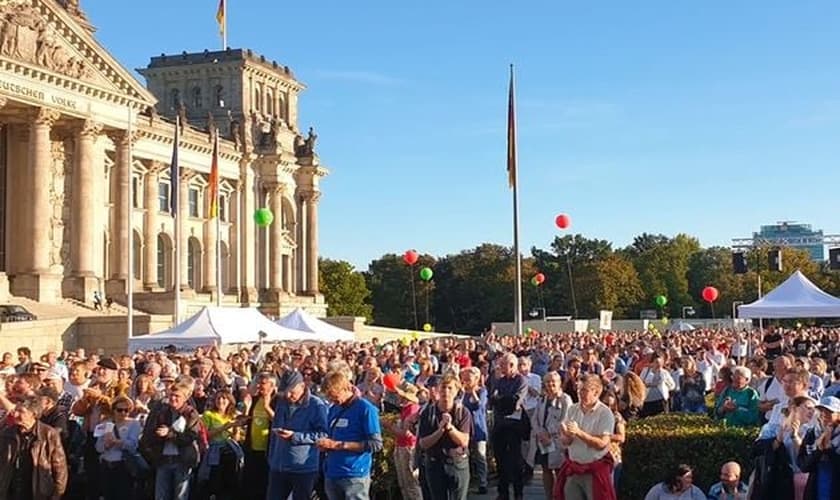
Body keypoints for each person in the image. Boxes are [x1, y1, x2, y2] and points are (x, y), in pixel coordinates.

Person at [318, 369, 383, 500]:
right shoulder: (334, 408)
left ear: (345, 388)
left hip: (354, 475)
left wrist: (340, 445)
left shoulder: (365, 409)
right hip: (332, 471)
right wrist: (325, 445)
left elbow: (376, 444)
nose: (332, 399)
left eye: (334, 395)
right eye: (329, 396)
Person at [267, 370, 329, 500]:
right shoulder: (282, 402)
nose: (288, 395)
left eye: (292, 391)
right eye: (285, 391)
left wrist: (295, 436)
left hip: (303, 467)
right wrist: (272, 458)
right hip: (278, 465)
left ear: (302, 386)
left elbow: (323, 434)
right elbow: (274, 431)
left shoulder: (316, 405)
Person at [554, 374, 616, 500]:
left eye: (584, 390)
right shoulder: (573, 409)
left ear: (596, 392)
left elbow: (602, 444)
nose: (580, 394)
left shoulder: (605, 413)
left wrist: (579, 432)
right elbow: (567, 442)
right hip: (573, 468)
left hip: (593, 471)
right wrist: (565, 434)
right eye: (579, 390)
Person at [139, 382, 202, 500]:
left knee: (180, 496)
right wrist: (158, 436)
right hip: (163, 460)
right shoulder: (161, 412)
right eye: (171, 395)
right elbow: (149, 434)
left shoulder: (190, 413)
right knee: (161, 496)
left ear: (185, 398)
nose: (173, 398)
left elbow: (191, 436)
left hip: (182, 460)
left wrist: (170, 434)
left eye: (177, 396)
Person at [0, 395, 68, 499]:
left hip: (37, 490)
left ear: (34, 414)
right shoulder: (7, 433)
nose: (15, 414)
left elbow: (60, 468)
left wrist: (57, 494)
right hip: (11, 489)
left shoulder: (49, 434)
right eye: (15, 410)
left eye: (21, 411)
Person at [418, 372, 472, 500]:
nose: (446, 392)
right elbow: (423, 443)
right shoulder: (428, 412)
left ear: (456, 391)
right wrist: (440, 430)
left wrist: (450, 428)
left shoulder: (462, 412)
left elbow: (464, 441)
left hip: (457, 463)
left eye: (450, 388)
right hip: (435, 463)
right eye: (443, 387)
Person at [526, 371, 572, 500]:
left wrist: (549, 433)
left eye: (553, 382)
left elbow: (565, 419)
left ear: (559, 383)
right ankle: (549, 496)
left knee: (559, 470)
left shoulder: (565, 399)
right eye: (547, 382)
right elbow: (534, 419)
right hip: (542, 441)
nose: (550, 384)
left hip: (557, 441)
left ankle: (560, 496)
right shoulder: (542, 399)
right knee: (546, 469)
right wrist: (540, 432)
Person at [489, 352, 527, 500]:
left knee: (515, 460)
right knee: (500, 459)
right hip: (500, 424)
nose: (500, 367)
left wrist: (502, 400)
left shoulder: (521, 380)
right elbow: (493, 399)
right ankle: (502, 492)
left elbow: (515, 401)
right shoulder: (500, 381)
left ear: (511, 365)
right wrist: (502, 400)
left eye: (503, 365)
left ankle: (518, 493)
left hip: (514, 426)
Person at [197, 391, 246, 500]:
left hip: (229, 451)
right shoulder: (208, 414)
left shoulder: (232, 415)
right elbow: (206, 435)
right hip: (215, 452)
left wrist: (236, 427)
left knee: (229, 483)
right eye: (218, 398)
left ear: (229, 401)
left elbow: (236, 439)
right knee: (215, 482)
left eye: (224, 398)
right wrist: (224, 427)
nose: (220, 401)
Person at [95, 395, 143, 500]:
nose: (123, 413)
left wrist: (118, 442)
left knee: (123, 494)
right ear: (114, 410)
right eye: (120, 410)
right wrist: (106, 445)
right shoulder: (105, 424)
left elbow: (133, 446)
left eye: (126, 410)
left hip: (123, 465)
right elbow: (98, 447)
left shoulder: (134, 424)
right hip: (107, 464)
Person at [242, 372, 278, 500]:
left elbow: (278, 422)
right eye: (258, 383)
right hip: (252, 447)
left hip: (268, 449)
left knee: (264, 482)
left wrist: (267, 407)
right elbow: (246, 420)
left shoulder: (277, 401)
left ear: (272, 386)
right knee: (251, 481)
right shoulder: (255, 399)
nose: (259, 386)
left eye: (263, 383)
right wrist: (246, 408)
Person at [797, 395, 840, 500]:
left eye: (830, 412)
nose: (824, 415)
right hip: (816, 488)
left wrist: (829, 449)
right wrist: (819, 450)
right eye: (821, 410)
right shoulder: (812, 433)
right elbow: (804, 466)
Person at [460, 366, 489, 495]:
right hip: (465, 429)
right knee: (465, 455)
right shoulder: (462, 394)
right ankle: (467, 481)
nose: (466, 381)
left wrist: (473, 392)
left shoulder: (482, 391)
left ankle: (483, 482)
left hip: (478, 428)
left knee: (480, 456)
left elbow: (479, 405)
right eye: (465, 379)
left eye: (469, 379)